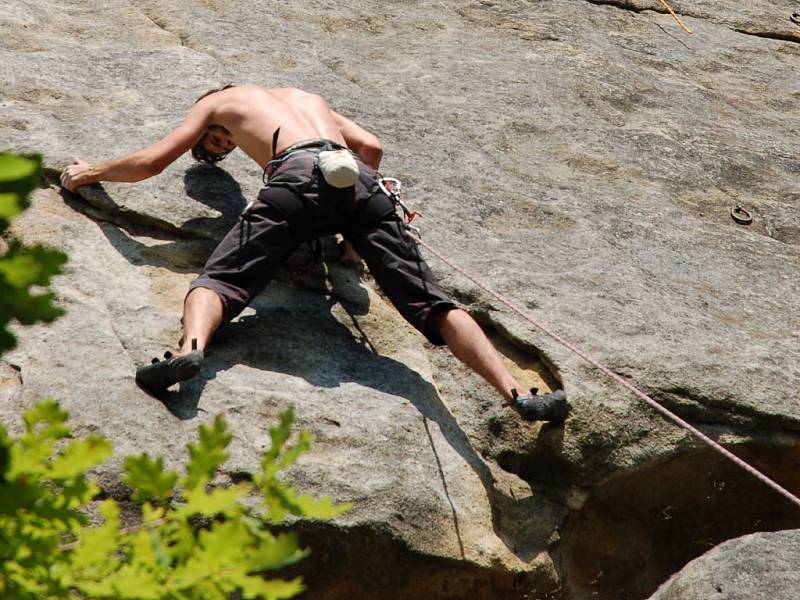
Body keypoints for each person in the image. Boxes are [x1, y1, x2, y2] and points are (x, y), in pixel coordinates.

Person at [60, 84, 568, 422]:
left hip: (296, 179)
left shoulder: (217, 103)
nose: (221, 144)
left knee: (215, 283)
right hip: (359, 182)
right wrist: (350, 242)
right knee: (431, 302)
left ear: (216, 119)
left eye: (218, 143)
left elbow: (150, 164)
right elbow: (370, 145)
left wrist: (92, 172)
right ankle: (518, 394)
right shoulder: (306, 96)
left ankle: (189, 351)